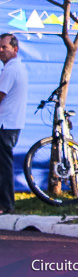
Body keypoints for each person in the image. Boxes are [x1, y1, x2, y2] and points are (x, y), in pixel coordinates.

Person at [0, 33, 28, 215]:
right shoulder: (16, 68)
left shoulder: (11, 69)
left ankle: (6, 204)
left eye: (5, 47)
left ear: (15, 49)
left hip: (5, 124)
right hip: (11, 123)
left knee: (3, 166)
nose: (1, 51)